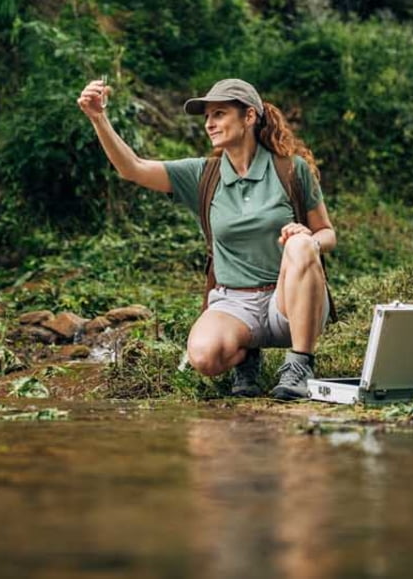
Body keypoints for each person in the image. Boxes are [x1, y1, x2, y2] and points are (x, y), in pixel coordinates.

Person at [76, 77, 336, 400]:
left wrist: (308, 239)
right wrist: (98, 118)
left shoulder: (291, 170)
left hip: (289, 301)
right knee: (203, 355)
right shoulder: (203, 175)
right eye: (207, 117)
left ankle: (299, 365)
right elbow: (133, 168)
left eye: (220, 114)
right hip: (234, 303)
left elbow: (328, 233)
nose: (210, 124)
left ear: (249, 117)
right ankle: (246, 357)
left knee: (299, 244)